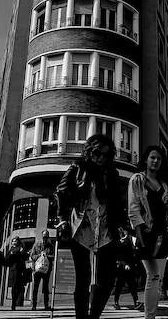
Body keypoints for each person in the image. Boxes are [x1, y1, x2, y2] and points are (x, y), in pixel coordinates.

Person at [55, 134, 124, 319]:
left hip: (105, 229)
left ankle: (94, 316)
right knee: (83, 279)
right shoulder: (78, 168)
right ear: (89, 152)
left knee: (107, 281)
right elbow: (61, 191)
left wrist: (122, 225)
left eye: (105, 154)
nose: (100, 157)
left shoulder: (112, 173)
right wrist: (62, 219)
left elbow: (118, 202)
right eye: (96, 153)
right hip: (81, 228)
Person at [127, 144, 168, 319]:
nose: (155, 161)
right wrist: (139, 233)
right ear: (146, 160)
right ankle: (149, 316)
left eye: (159, 158)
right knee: (152, 275)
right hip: (146, 232)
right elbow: (133, 208)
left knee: (156, 278)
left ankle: (150, 315)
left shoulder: (164, 184)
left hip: (162, 233)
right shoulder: (137, 179)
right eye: (152, 157)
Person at [112, 226, 140, 309]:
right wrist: (124, 264)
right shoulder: (117, 241)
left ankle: (136, 302)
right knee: (119, 285)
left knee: (132, 285)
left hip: (129, 265)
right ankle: (116, 302)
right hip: (121, 266)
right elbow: (117, 255)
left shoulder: (130, 239)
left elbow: (133, 252)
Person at [30, 229, 54, 311]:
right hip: (37, 270)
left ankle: (46, 305)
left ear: (48, 237)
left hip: (46, 270)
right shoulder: (37, 245)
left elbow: (53, 256)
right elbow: (32, 256)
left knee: (46, 288)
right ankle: (34, 305)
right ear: (42, 236)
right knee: (35, 288)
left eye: (46, 237)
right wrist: (39, 255)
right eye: (44, 237)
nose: (45, 238)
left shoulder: (51, 246)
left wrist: (47, 256)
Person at [5, 237, 29, 310]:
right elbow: (7, 259)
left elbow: (24, 256)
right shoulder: (11, 249)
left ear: (18, 242)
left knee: (19, 287)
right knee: (14, 286)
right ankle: (13, 303)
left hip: (20, 270)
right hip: (13, 270)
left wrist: (19, 253)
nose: (14, 242)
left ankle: (16, 301)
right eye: (13, 241)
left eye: (15, 241)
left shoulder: (21, 248)